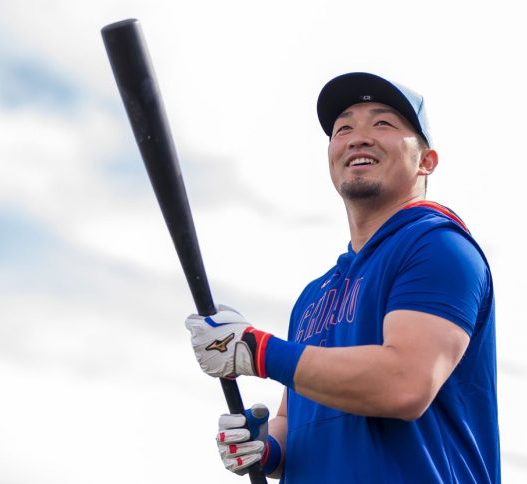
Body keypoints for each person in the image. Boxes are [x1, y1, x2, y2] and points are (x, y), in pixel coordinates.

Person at [185, 72, 500, 483]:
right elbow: (293, 416)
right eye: (343, 128)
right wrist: (267, 448)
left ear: (426, 161)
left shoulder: (438, 246)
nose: (357, 137)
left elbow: (404, 383)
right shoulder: (315, 296)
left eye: (382, 123)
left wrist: (257, 350)